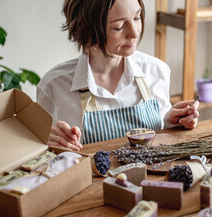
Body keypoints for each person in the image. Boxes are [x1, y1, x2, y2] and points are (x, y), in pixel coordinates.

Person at [37, 0, 199, 152]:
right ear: (87, 29)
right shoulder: (54, 85)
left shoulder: (156, 71)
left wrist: (171, 120)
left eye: (137, 17)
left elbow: (161, 131)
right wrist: (44, 142)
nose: (134, 33)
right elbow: (42, 155)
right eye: (119, 26)